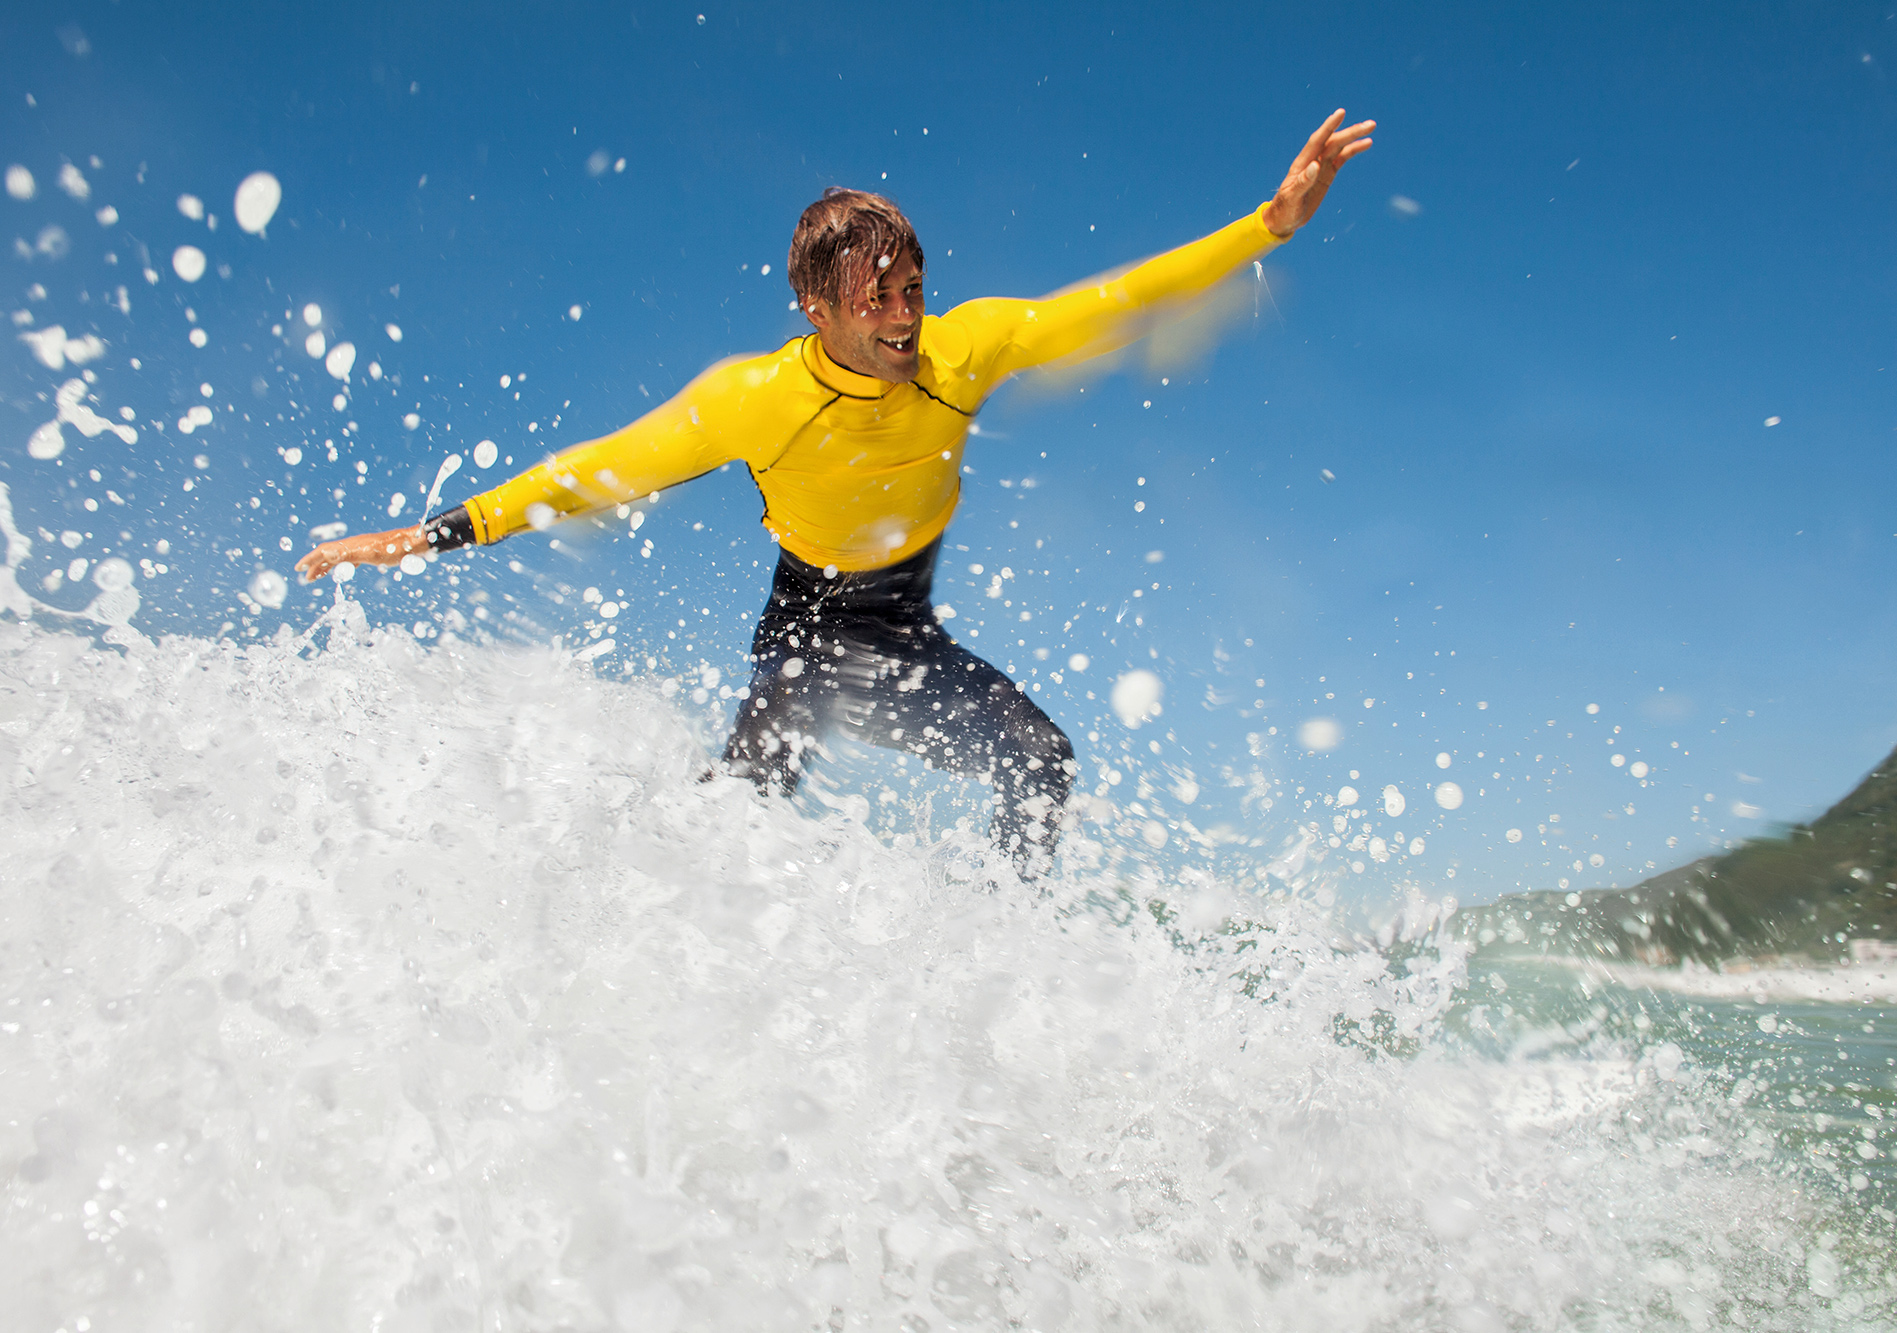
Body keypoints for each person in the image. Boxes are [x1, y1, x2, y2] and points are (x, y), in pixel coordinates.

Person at [297, 111, 1376, 873]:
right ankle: (630, 911)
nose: (903, 313)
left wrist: (1267, 225)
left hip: (900, 620)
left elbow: (1113, 300)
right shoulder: (752, 400)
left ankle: (1004, 958)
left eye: (912, 287)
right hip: (806, 626)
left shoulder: (969, 348)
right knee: (739, 819)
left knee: (1041, 763)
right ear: (817, 305)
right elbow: (594, 470)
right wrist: (428, 536)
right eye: (876, 297)